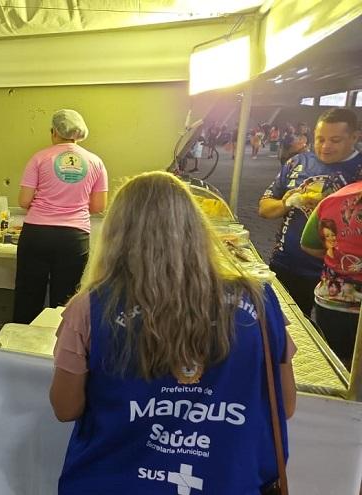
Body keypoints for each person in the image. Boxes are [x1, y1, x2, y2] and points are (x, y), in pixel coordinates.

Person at [50, 171, 296, 494]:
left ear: (115, 235)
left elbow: (65, 408)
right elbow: (285, 404)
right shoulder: (260, 302)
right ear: (196, 227)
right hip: (228, 481)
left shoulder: (90, 307)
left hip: (113, 481)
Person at [258, 108, 362, 316]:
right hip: (288, 265)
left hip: (343, 280)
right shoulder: (298, 162)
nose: (325, 146)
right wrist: (287, 203)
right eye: (320, 139)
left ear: (354, 137)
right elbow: (264, 208)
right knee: (287, 328)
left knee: (335, 342)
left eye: (335, 140)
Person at [13, 109, 108, 324]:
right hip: (74, 237)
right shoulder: (96, 162)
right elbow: (99, 205)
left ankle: (18, 350)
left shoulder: (39, 158)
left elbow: (24, 201)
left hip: (37, 234)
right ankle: (58, 350)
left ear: (54, 132)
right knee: (64, 300)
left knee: (28, 295)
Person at [301, 183, 362, 366]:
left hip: (334, 300)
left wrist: (336, 257)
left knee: (336, 366)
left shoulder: (332, 199)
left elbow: (308, 244)